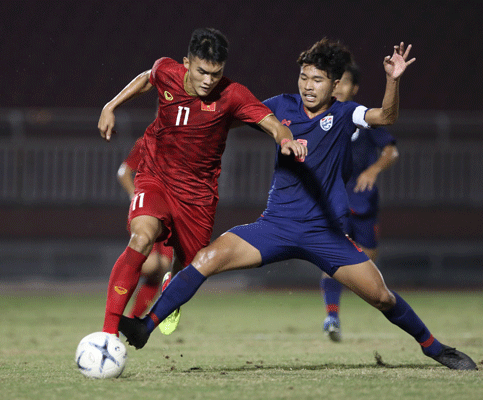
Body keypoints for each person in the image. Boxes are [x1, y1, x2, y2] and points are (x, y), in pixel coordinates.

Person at [118, 39, 478, 370]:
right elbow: (230, 115)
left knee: (382, 297)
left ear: (334, 84)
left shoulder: (344, 113)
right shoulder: (281, 106)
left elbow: (385, 117)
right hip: (274, 225)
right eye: (304, 77)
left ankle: (434, 347)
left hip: (324, 233)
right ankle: (145, 327)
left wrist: (393, 81)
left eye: (317, 79)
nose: (308, 85)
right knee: (205, 259)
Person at [97, 28, 306, 337]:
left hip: (197, 197)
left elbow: (274, 124)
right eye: (202, 71)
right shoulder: (166, 70)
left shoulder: (233, 94)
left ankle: (172, 285)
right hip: (155, 177)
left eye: (216, 73)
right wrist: (110, 105)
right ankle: (107, 334)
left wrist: (285, 140)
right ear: (187, 63)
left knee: (189, 266)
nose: (209, 80)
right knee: (141, 239)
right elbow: (146, 77)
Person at [321, 63, 400, 342]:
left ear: (353, 89)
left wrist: (373, 169)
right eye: (335, 81)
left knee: (367, 266)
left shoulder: (363, 117)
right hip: (333, 203)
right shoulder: (322, 116)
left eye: (345, 83)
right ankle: (332, 316)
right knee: (332, 260)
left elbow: (391, 151)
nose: (339, 87)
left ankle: (387, 311)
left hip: (364, 203)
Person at [117, 137, 174, 319]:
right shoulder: (148, 142)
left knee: (163, 267)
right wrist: (137, 197)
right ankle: (119, 278)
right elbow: (124, 172)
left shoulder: (186, 141)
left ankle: (131, 321)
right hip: (147, 211)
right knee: (149, 264)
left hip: (171, 212)